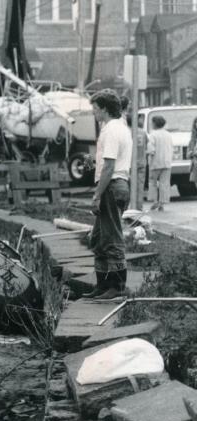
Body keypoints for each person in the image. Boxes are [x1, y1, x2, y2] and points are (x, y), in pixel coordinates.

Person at [88, 90, 132, 300]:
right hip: (117, 185)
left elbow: (109, 166)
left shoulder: (112, 130)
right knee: (97, 238)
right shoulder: (120, 127)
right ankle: (102, 284)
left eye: (95, 108)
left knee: (111, 238)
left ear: (104, 108)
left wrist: (97, 195)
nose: (94, 112)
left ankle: (117, 286)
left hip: (111, 187)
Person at [146, 115, 174, 211]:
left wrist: (148, 154)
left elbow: (151, 149)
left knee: (153, 182)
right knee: (164, 183)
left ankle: (154, 201)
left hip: (155, 163)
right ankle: (162, 203)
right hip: (167, 162)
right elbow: (171, 148)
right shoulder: (168, 134)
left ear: (154, 123)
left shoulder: (153, 135)